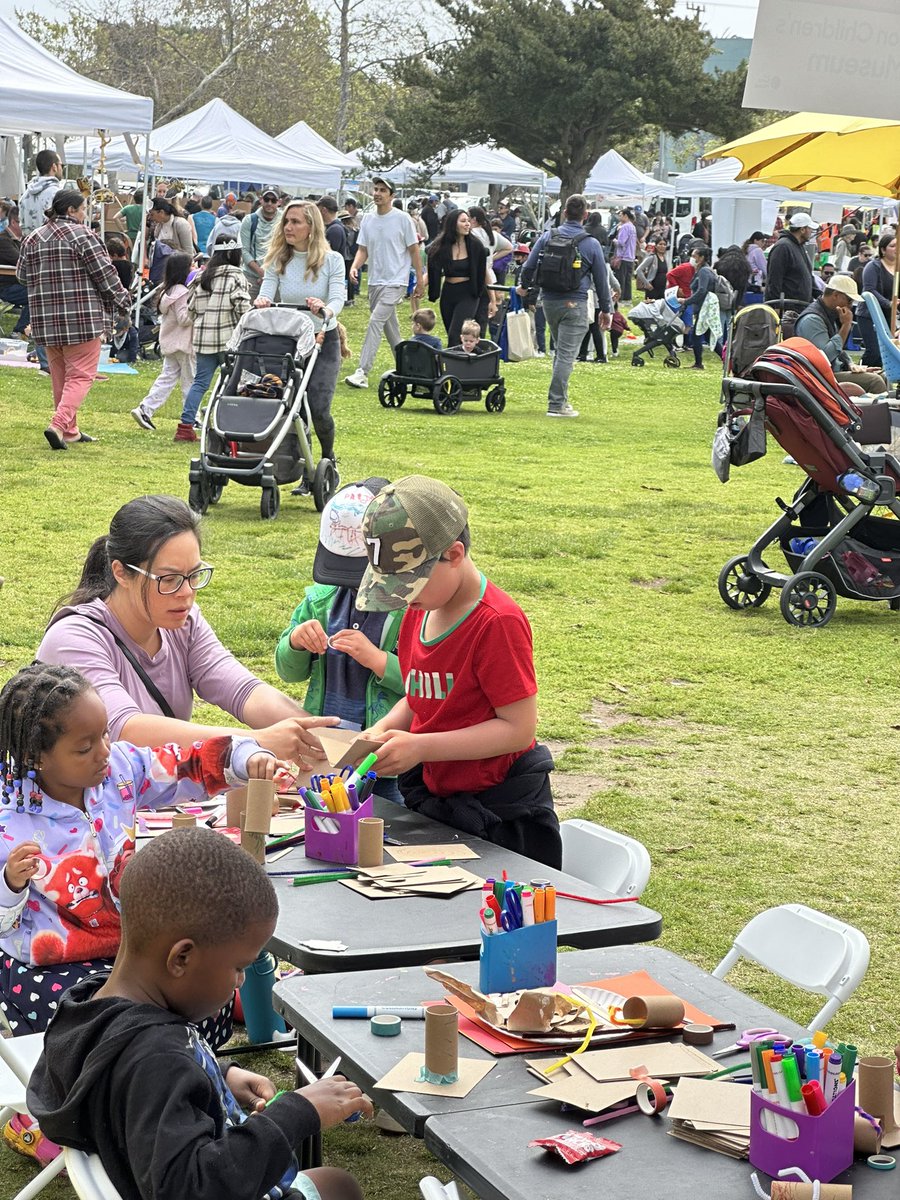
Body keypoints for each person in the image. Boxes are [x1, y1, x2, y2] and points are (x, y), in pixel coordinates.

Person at [27, 826, 371, 1200]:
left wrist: (217, 1078)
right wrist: (297, 1112)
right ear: (182, 958)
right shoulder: (155, 1057)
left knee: (338, 1183)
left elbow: (137, 1096)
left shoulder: (91, 1009)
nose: (240, 981)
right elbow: (189, 1188)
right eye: (238, 967)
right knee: (340, 1188)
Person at [0, 662, 277, 1045]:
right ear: (35, 758)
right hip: (52, 967)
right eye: (85, 747)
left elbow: (187, 764)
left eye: (105, 735)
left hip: (129, 949)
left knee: (197, 1000)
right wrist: (10, 884)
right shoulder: (8, 818)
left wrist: (244, 757)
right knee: (102, 1025)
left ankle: (184, 1070)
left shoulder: (119, 770)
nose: (104, 752)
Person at [36, 494, 336, 763]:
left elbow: (242, 690)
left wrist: (318, 735)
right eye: (169, 579)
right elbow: (123, 730)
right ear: (121, 573)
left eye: (194, 575)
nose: (186, 592)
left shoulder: (183, 622)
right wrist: (251, 742)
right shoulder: (74, 638)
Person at [356, 476, 560, 867]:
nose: (405, 598)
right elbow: (420, 698)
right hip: (440, 803)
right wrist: (382, 729)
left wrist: (421, 747)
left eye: (410, 583)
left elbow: (519, 729)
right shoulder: (419, 611)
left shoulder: (496, 622)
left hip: (499, 812)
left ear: (453, 554)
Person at [275, 480, 405, 803]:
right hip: (326, 753)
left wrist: (377, 659)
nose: (351, 586)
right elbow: (288, 671)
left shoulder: (407, 610)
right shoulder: (319, 601)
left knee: (383, 824)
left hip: (382, 762)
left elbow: (422, 684)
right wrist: (295, 642)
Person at [16, 188, 131, 450]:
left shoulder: (33, 237)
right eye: (83, 209)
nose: (85, 213)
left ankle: (70, 431)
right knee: (80, 376)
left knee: (61, 378)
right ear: (71, 211)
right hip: (82, 318)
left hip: (46, 320)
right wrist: (123, 299)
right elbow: (105, 275)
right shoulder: (84, 235)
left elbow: (22, 276)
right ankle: (58, 424)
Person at [256, 200, 346, 477]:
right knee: (292, 408)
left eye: (295, 222)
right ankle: (302, 467)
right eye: (286, 221)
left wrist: (326, 309)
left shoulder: (332, 261)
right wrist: (263, 300)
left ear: (311, 227)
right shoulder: (278, 259)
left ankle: (327, 459)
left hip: (322, 339)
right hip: (291, 340)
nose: (288, 227)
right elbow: (268, 289)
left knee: (318, 408)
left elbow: (338, 296)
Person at [518, 193, 613, 419]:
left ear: (563, 213)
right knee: (566, 355)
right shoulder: (591, 244)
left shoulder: (547, 236)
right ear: (585, 215)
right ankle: (557, 403)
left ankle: (561, 400)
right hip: (575, 302)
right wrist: (606, 310)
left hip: (549, 302)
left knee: (560, 352)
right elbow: (602, 280)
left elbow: (529, 266)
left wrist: (524, 286)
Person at [345, 177, 424, 389]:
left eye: (382, 190)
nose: (377, 193)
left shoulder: (403, 219)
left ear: (392, 195)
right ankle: (412, 373)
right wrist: (354, 266)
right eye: (376, 189)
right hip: (375, 281)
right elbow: (363, 249)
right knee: (392, 331)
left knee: (375, 321)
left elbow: (414, 250)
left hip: (396, 281)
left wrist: (419, 279)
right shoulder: (368, 219)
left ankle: (363, 371)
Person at [176, 235, 251, 442]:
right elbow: (242, 308)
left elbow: (191, 310)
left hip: (203, 339)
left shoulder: (202, 277)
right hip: (230, 340)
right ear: (234, 253)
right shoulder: (236, 276)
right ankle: (228, 426)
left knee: (200, 383)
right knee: (234, 384)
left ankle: (185, 426)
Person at [131, 252, 195, 431]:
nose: (194, 269)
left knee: (166, 379)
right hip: (183, 344)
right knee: (189, 382)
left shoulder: (167, 291)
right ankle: (191, 416)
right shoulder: (183, 293)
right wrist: (198, 310)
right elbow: (184, 318)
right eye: (191, 266)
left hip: (170, 343)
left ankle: (145, 408)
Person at [794, 275, 887, 395]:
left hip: (829, 372)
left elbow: (837, 349)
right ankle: (877, 413)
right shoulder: (812, 319)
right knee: (875, 381)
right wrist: (846, 325)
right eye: (849, 300)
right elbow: (825, 356)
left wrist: (850, 364)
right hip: (818, 378)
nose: (850, 305)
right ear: (836, 295)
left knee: (882, 376)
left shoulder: (828, 313)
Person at [426, 208, 492, 346]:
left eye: (468, 221)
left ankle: (454, 366)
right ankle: (461, 363)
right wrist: (421, 285)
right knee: (451, 332)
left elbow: (484, 272)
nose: (467, 224)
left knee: (455, 334)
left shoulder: (475, 246)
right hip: (449, 292)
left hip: (468, 293)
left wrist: (493, 298)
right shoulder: (442, 245)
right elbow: (432, 262)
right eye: (463, 221)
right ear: (453, 224)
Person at [856, 231, 896, 367]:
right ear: (883, 249)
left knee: (889, 352)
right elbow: (869, 290)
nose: (897, 249)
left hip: (888, 316)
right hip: (869, 315)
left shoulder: (897, 269)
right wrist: (889, 303)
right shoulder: (873, 266)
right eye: (893, 246)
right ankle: (863, 372)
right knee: (875, 351)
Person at [765, 213, 816, 306]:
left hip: (799, 306)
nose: (811, 231)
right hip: (787, 307)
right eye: (810, 228)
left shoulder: (798, 246)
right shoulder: (783, 247)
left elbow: (808, 275)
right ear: (802, 230)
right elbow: (774, 279)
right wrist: (775, 305)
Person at [682, 244, 718, 370]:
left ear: (701, 258)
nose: (692, 258)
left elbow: (702, 290)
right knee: (708, 336)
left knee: (696, 335)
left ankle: (699, 363)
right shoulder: (705, 270)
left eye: (694, 256)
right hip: (703, 308)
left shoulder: (703, 271)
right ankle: (727, 360)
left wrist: (687, 301)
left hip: (704, 308)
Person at [239, 189, 281, 297]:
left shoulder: (284, 220)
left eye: (273, 200)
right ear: (261, 200)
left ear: (279, 202)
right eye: (266, 199)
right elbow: (244, 250)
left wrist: (269, 274)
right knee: (249, 311)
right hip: (251, 276)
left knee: (277, 312)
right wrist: (260, 271)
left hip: (277, 276)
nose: (269, 203)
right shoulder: (249, 220)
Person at [0, 201, 30, 335]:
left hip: (18, 283)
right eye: (23, 222)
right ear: (14, 222)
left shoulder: (19, 239)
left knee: (42, 291)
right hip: (6, 287)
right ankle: (21, 329)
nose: (25, 226)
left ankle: (24, 329)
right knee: (37, 295)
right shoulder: (3, 241)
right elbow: (22, 261)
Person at [18, 149, 64, 236]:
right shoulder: (58, 194)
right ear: (54, 167)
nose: (62, 169)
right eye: (61, 165)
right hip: (50, 245)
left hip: (29, 246)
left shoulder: (25, 195)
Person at [613, 208, 637, 300]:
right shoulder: (632, 227)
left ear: (625, 216)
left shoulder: (624, 227)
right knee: (628, 279)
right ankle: (627, 297)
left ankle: (620, 297)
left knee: (621, 278)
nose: (619, 217)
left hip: (623, 256)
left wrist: (614, 240)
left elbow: (621, 242)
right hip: (630, 256)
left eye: (621, 215)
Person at [636, 236, 669, 301]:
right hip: (652, 288)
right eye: (660, 244)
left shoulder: (665, 258)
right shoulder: (652, 257)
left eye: (664, 244)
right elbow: (639, 270)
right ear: (656, 246)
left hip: (662, 288)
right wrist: (646, 283)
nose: (662, 246)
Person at [317, 195, 347, 259]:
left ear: (324, 210)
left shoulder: (335, 230)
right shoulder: (334, 227)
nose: (317, 214)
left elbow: (329, 255)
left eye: (318, 210)